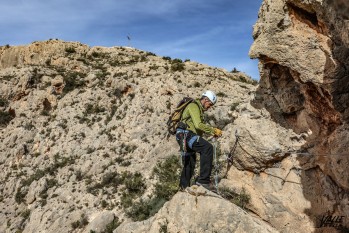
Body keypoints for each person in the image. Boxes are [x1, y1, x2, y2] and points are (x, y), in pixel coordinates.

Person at [176, 90, 223, 191]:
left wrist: (211, 133)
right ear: (206, 100)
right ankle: (203, 181)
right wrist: (213, 130)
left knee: (190, 162)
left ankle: (183, 188)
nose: (209, 107)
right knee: (207, 148)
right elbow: (198, 125)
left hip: (184, 136)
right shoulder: (194, 106)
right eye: (210, 104)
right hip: (186, 134)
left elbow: (197, 128)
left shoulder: (199, 110)